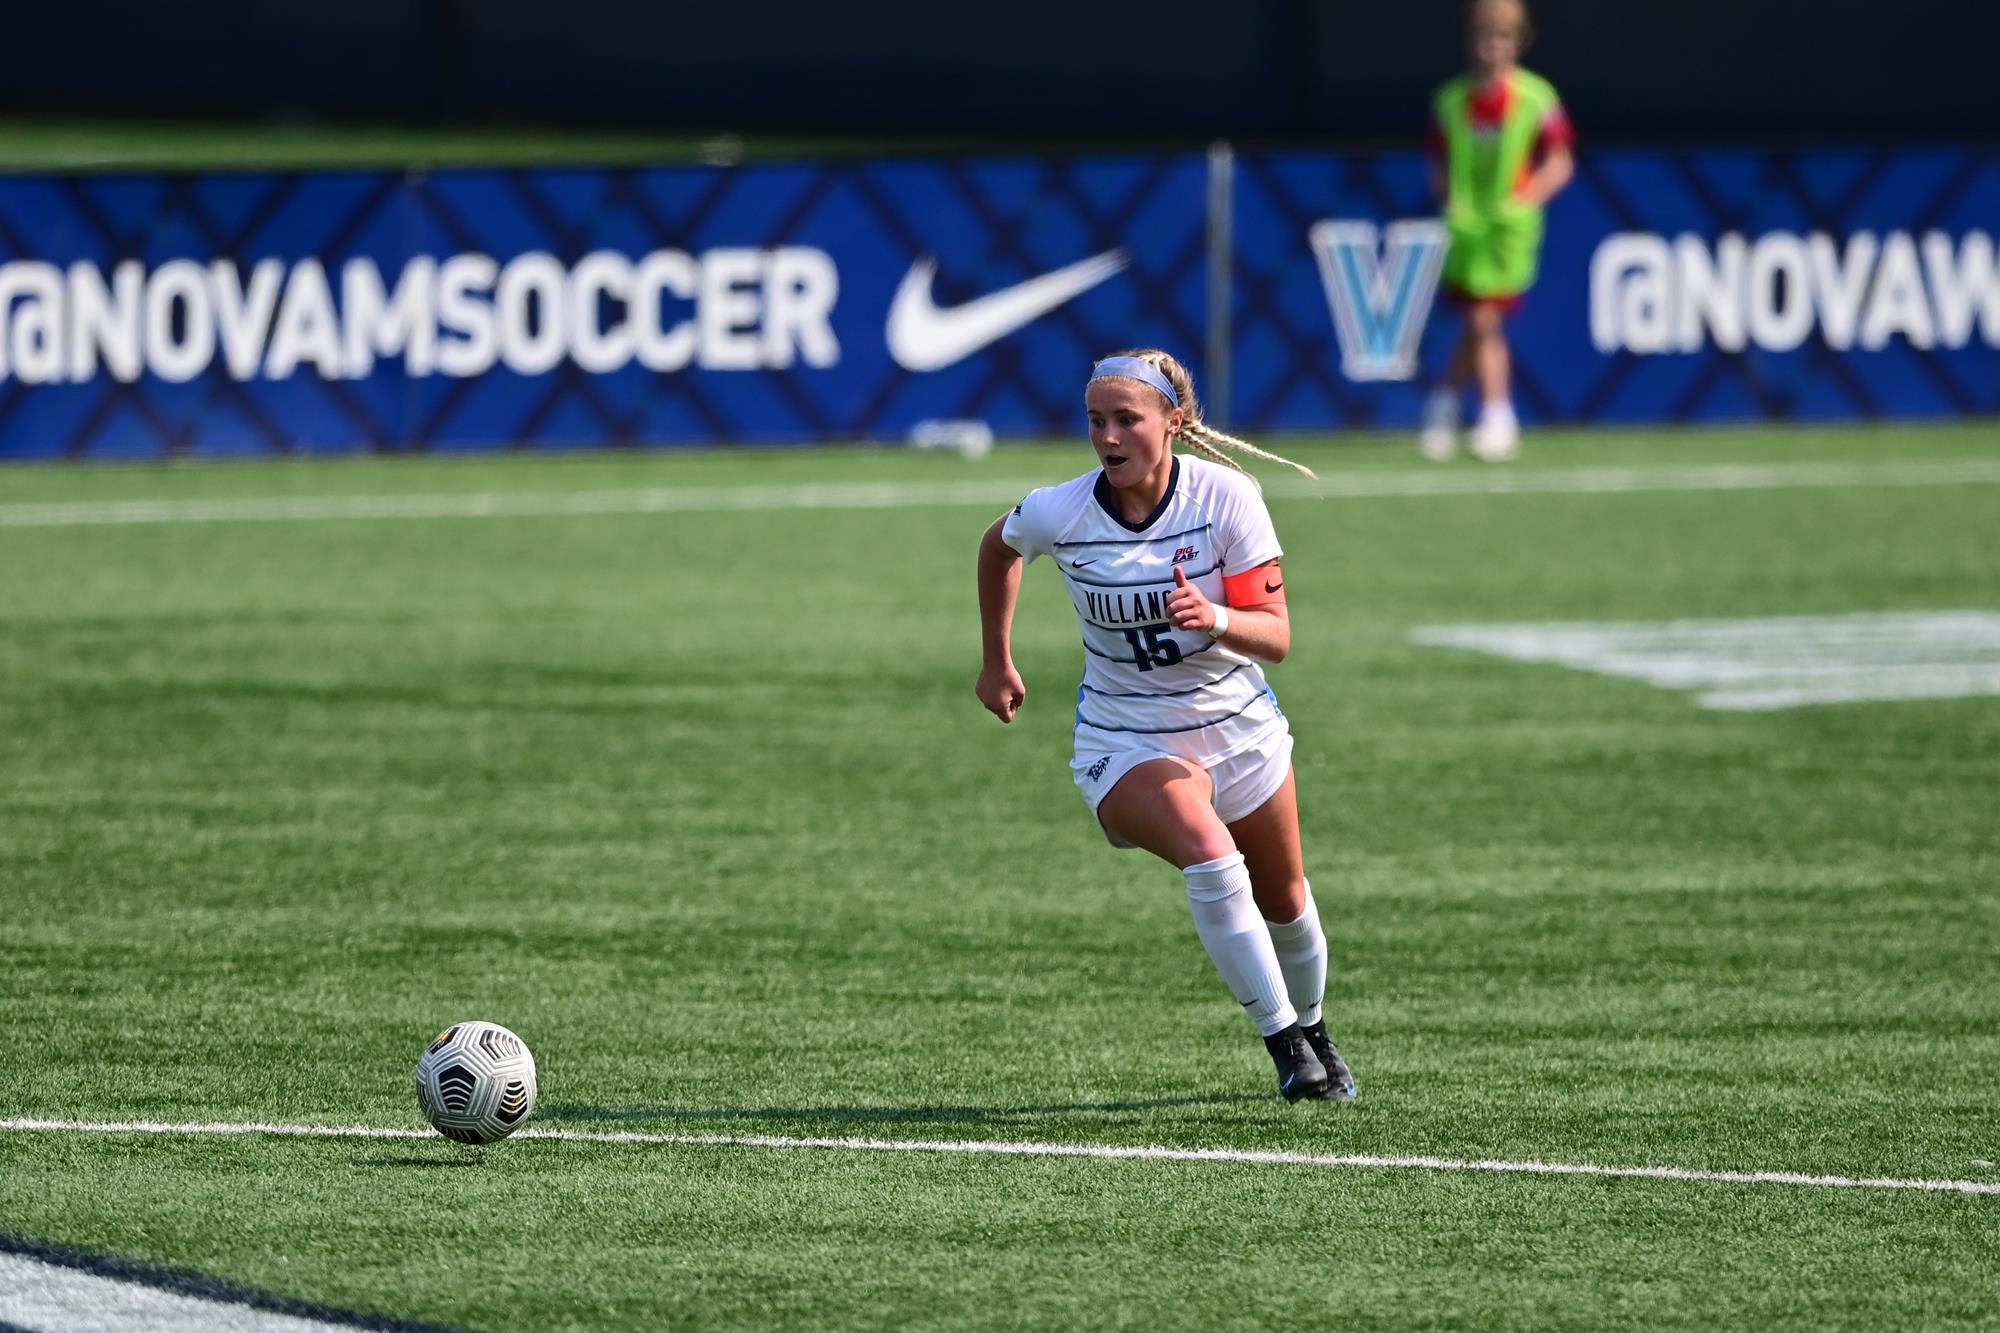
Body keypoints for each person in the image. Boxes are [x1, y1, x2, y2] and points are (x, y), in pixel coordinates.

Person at [974, 349, 1357, 1103]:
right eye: (1095, 421)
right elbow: (998, 547)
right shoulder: (1064, 509)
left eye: (1127, 420)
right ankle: (1287, 1048)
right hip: (1127, 740)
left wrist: (1214, 617)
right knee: (1213, 859)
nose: (1108, 437)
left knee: (1285, 898)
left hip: (1240, 725)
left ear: (1173, 423)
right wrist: (997, 659)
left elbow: (1275, 637)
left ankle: (1313, 1027)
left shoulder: (1227, 498)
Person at [1421, 0, 1575, 462]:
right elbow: (1440, 165)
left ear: (1519, 42)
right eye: (1484, 36)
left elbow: (1560, 161)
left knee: (1485, 319)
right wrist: (1452, 204)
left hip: (1510, 233)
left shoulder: (1537, 99)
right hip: (1467, 232)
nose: (1492, 47)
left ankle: (1493, 412)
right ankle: (1449, 406)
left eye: (1502, 37)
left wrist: (1525, 199)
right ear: (1471, 41)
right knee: (1479, 321)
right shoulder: (1449, 101)